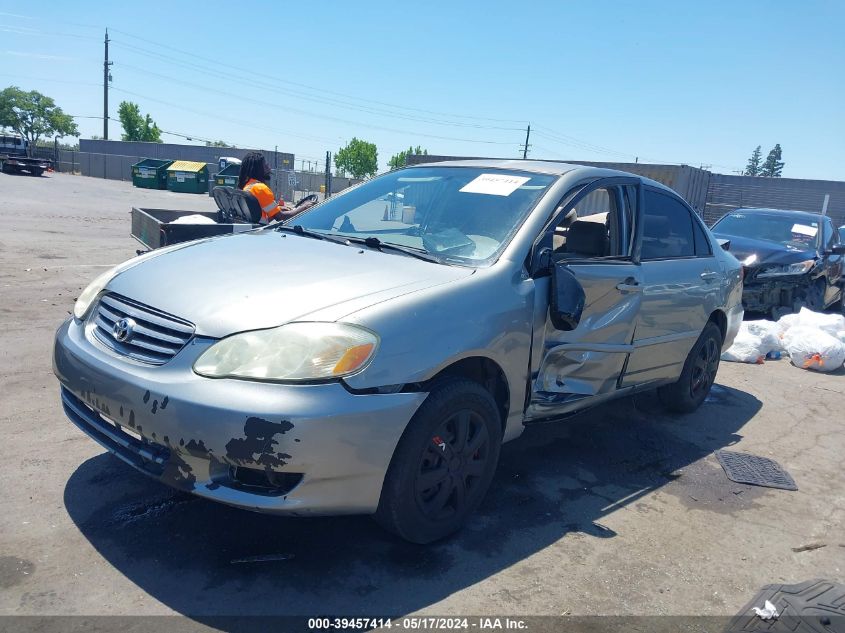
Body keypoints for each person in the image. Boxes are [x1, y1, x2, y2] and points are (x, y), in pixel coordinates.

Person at [237, 152, 296, 223]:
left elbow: (259, 215)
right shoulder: (260, 189)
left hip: (254, 227)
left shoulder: (248, 186)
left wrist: (277, 209)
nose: (269, 167)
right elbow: (280, 216)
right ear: (258, 169)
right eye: (265, 165)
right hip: (259, 229)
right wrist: (304, 207)